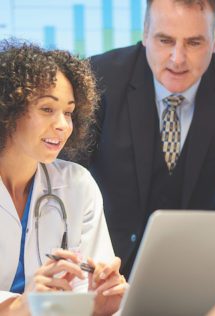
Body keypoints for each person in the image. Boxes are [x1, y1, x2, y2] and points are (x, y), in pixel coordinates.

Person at [87, 0, 215, 277]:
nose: (177, 59)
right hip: (110, 269)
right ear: (145, 33)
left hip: (212, 269)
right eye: (165, 40)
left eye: (194, 43)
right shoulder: (99, 79)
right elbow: (64, 179)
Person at [0, 40, 127, 316]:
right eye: (47, 109)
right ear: (8, 110)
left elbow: (87, 289)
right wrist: (17, 307)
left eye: (68, 112)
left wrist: (99, 304)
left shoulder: (77, 184)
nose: (62, 124)